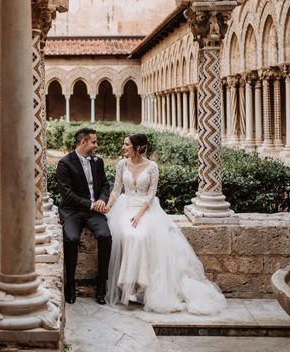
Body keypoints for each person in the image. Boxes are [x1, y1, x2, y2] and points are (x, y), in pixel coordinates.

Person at [104, 133, 226, 314]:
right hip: (126, 206)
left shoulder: (152, 166)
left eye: (127, 144)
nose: (124, 147)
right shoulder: (122, 165)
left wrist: (139, 215)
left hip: (145, 209)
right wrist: (107, 207)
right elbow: (115, 190)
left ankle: (140, 285)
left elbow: (151, 194)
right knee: (129, 234)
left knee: (142, 234)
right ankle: (128, 284)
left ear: (137, 148)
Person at [56, 127, 112, 305]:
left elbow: (104, 184)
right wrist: (91, 204)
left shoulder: (98, 161)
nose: (96, 145)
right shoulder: (65, 163)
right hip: (72, 211)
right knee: (71, 239)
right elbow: (67, 194)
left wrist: (102, 200)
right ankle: (70, 284)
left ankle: (101, 284)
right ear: (83, 142)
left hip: (94, 211)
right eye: (94, 142)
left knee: (105, 236)